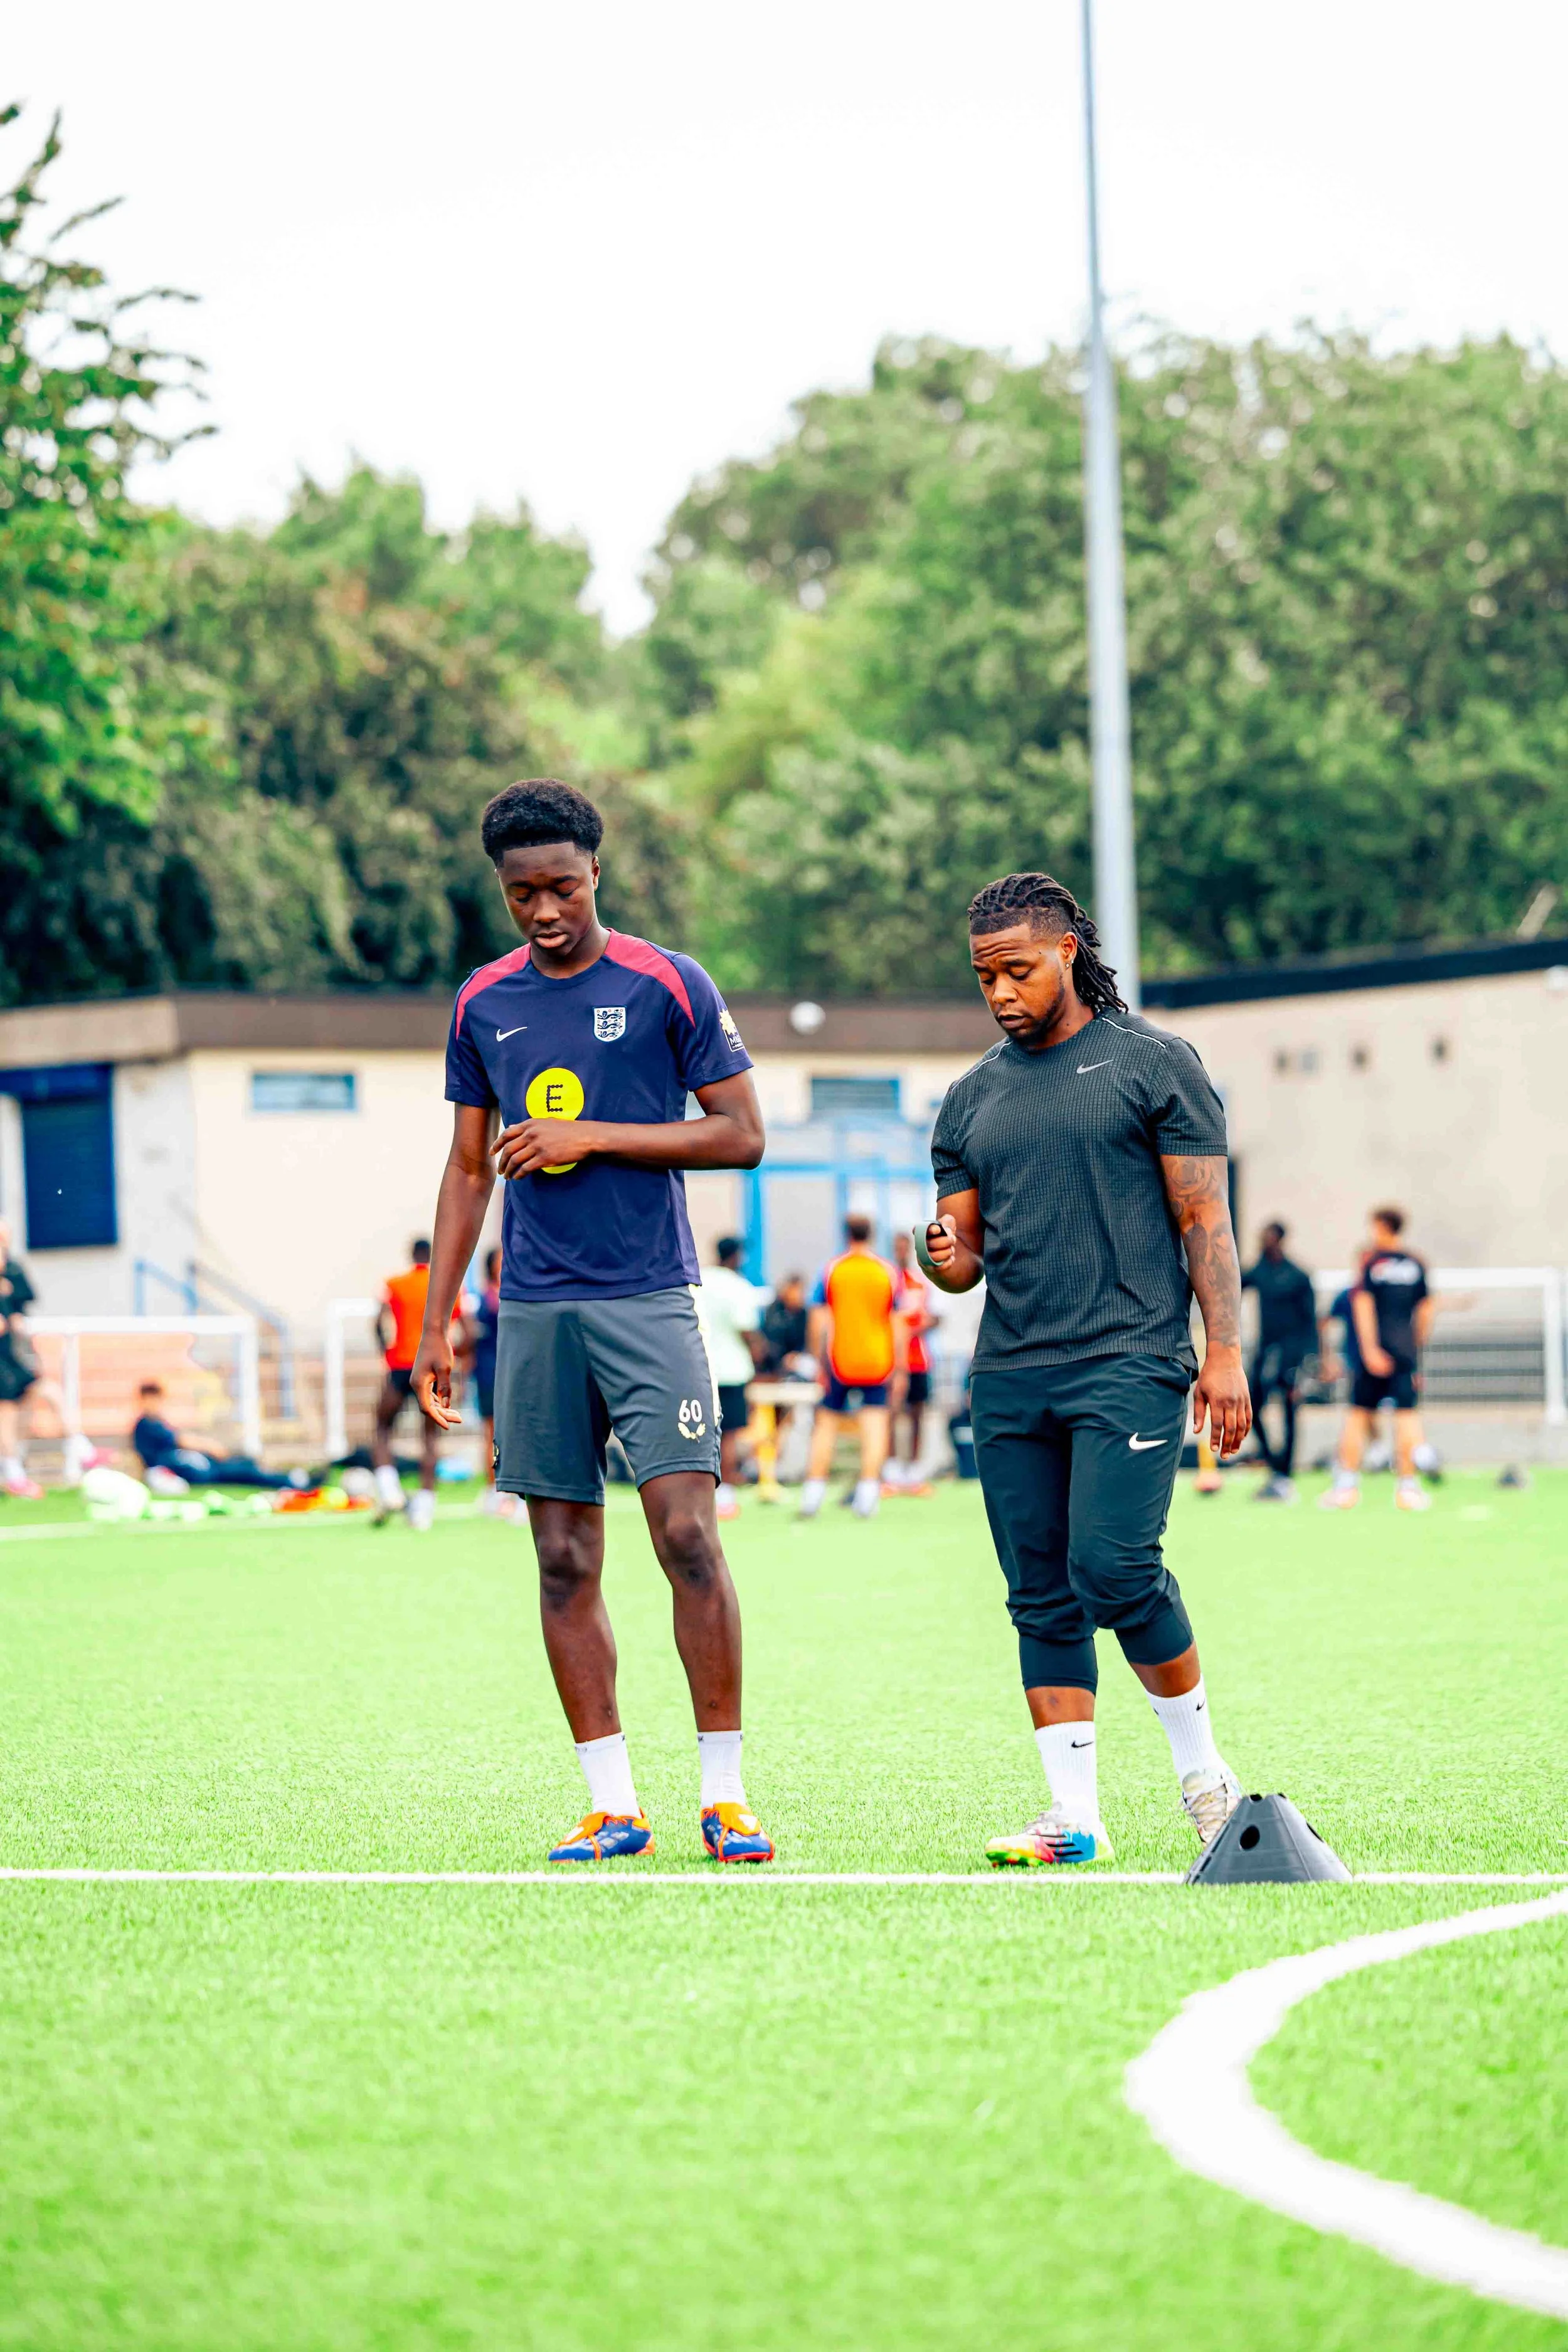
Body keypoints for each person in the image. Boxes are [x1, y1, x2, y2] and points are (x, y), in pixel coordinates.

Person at [410, 777, 774, 1865]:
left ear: (596, 873)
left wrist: (595, 1135)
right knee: (563, 1556)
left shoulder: (669, 982)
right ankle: (614, 1807)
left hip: (649, 1296)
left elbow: (742, 1134)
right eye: (522, 893)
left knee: (688, 1536)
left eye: (562, 887)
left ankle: (726, 1796)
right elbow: (468, 1168)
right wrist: (437, 1321)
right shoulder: (482, 1002)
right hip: (534, 1308)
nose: (544, 910)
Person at [921, 871, 1252, 1867]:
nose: (1000, 991)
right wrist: (940, 1257)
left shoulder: (1154, 1062)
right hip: (1012, 1372)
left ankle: (1206, 1779)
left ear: (1067, 951)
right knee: (1040, 1591)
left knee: (1113, 1567)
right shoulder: (969, 1099)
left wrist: (1225, 1350)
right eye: (984, 975)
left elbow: (1204, 1216)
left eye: (1017, 969)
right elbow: (963, 1260)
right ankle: (1074, 1816)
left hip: (1131, 1356)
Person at [1320, 1206, 1434, 1513]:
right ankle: (1407, 1490)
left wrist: (1370, 1350)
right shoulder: (1416, 1263)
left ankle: (1346, 1488)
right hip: (1405, 1353)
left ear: (1383, 1227)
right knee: (1406, 1417)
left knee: (1358, 1416)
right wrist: (1414, 1344)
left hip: (1373, 1356)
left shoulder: (1373, 1263)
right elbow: (1426, 1309)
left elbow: (1362, 1305)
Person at [799, 1216, 898, 1521]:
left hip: (839, 1360)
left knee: (826, 1425)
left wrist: (817, 1360)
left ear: (846, 1235)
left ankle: (813, 1496)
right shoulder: (886, 1271)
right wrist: (900, 1366)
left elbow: (818, 1321)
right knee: (875, 1425)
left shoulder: (833, 1270)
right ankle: (868, 1496)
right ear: (872, 1235)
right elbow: (897, 1322)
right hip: (877, 1361)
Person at [374, 1239, 458, 1531]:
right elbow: (464, 1326)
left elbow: (379, 1322)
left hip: (401, 1364)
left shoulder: (396, 1284)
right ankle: (424, 1508)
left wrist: (385, 1351)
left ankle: (389, 1490)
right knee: (430, 1438)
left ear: (412, 1255)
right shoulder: (445, 1287)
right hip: (431, 1367)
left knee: (382, 1427)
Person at [1241, 1221, 1318, 1501]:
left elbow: (1311, 1321)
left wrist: (1310, 1361)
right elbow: (1234, 1284)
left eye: (1270, 1238)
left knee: (1289, 1411)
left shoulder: (1297, 1276)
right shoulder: (1260, 1271)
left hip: (1291, 1354)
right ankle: (1274, 1463)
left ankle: (1286, 1474)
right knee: (1251, 1406)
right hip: (1266, 1351)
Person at [696, 1236, 766, 1520]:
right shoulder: (738, 1287)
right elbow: (746, 1329)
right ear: (736, 1256)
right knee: (730, 1434)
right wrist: (761, 1353)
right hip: (733, 1371)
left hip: (700, 1368)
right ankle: (725, 1495)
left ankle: (701, 1493)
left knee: (700, 1432)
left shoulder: (699, 1280)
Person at [130, 1380, 306, 1490]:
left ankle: (289, 1479)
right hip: (186, 1471)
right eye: (151, 1399)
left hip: (190, 1466)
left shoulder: (156, 1422)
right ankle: (290, 1481)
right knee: (240, 1471)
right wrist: (211, 1446)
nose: (155, 1404)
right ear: (143, 1400)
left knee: (243, 1465)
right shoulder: (147, 1424)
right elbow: (182, 1441)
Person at [886, 1229, 938, 1494]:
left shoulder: (921, 1281)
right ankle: (891, 1470)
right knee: (891, 1413)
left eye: (905, 1247)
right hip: (891, 1361)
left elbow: (936, 1317)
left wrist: (914, 1328)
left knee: (917, 1414)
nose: (902, 1252)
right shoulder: (887, 1281)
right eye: (898, 1248)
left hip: (918, 1360)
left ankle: (915, 1470)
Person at [0, 1221, 43, 1498]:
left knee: (37, 1390)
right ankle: (14, 1473)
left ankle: (13, 1463)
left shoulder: (11, 1275)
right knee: (5, 1414)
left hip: (9, 1358)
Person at [465, 1246, 509, 1516]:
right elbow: (471, 1339)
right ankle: (493, 1489)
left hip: (513, 1371)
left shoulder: (517, 1295)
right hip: (489, 1371)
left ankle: (516, 1491)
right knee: (492, 1433)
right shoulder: (484, 1300)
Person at [760, 1274, 811, 1377]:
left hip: (798, 1359)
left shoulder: (804, 1314)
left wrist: (796, 1354)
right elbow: (771, 1341)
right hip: (775, 1362)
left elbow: (806, 1341)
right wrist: (784, 1359)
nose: (798, 1296)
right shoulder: (774, 1312)